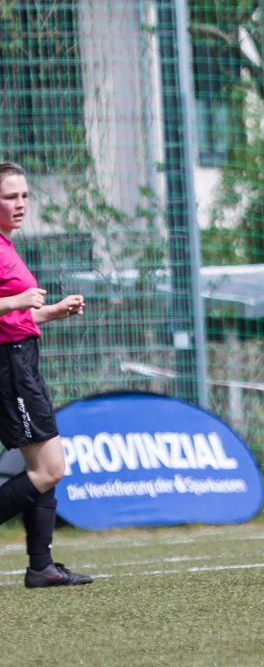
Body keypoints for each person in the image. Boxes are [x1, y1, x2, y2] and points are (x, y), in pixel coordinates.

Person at [0, 162, 93, 587]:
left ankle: (41, 566)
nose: (20, 204)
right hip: (11, 366)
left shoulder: (8, 245)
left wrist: (50, 312)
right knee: (48, 469)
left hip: (23, 360)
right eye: (9, 197)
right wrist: (19, 298)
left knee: (45, 464)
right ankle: (40, 565)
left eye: (24, 196)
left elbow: (16, 316)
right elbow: (11, 308)